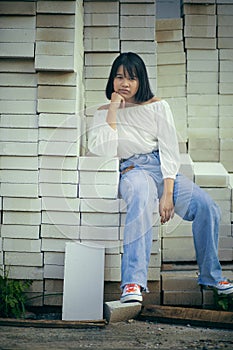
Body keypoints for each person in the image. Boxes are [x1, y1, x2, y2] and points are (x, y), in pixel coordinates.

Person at [88, 52, 233, 303]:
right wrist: (112, 109)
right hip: (132, 169)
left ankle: (211, 276)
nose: (124, 83)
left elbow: (168, 150)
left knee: (207, 207)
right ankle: (133, 282)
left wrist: (168, 193)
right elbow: (101, 148)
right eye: (119, 77)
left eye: (131, 78)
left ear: (141, 80)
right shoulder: (103, 112)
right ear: (112, 80)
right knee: (141, 200)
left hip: (161, 166)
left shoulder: (158, 106)